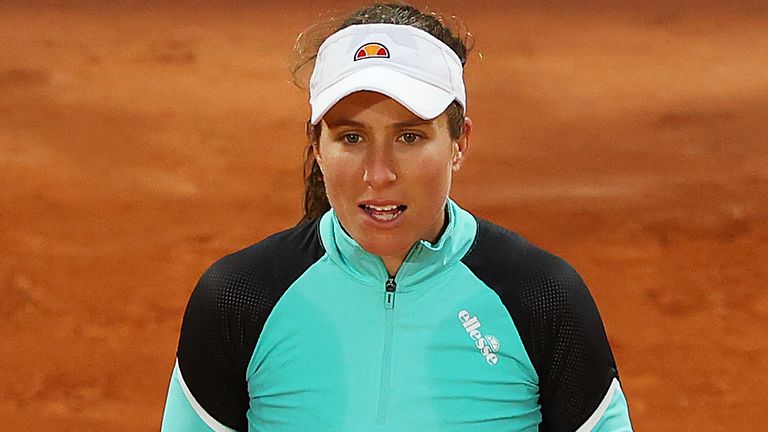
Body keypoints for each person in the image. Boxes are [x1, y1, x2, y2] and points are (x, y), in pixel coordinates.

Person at [161, 3, 633, 431]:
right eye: (351, 137)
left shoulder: (542, 299)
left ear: (459, 143)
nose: (379, 173)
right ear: (316, 146)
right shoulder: (240, 299)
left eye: (409, 137)